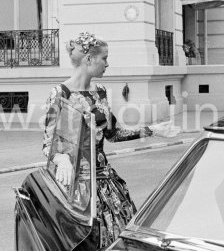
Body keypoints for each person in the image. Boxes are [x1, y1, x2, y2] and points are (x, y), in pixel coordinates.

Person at [43, 31, 155, 249]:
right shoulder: (60, 93)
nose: (107, 63)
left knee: (119, 234)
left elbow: (113, 134)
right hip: (76, 183)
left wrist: (151, 130)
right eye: (104, 58)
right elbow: (48, 144)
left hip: (105, 181)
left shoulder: (101, 92)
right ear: (89, 59)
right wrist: (61, 159)